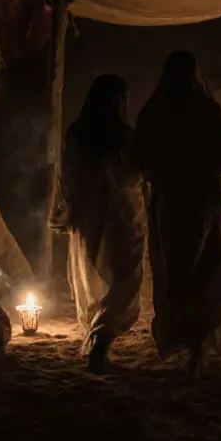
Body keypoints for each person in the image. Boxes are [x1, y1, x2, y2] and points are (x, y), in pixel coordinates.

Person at [132, 51, 221, 375]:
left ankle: (186, 339)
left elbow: (139, 159)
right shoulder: (208, 111)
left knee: (177, 269)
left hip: (170, 203)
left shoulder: (154, 112)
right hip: (205, 201)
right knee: (206, 268)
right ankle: (197, 345)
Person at [52, 74, 146, 373]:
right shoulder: (125, 137)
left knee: (92, 276)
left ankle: (98, 336)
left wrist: (68, 207)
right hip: (120, 217)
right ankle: (102, 339)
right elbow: (136, 174)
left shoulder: (78, 133)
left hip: (88, 215)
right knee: (123, 278)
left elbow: (66, 175)